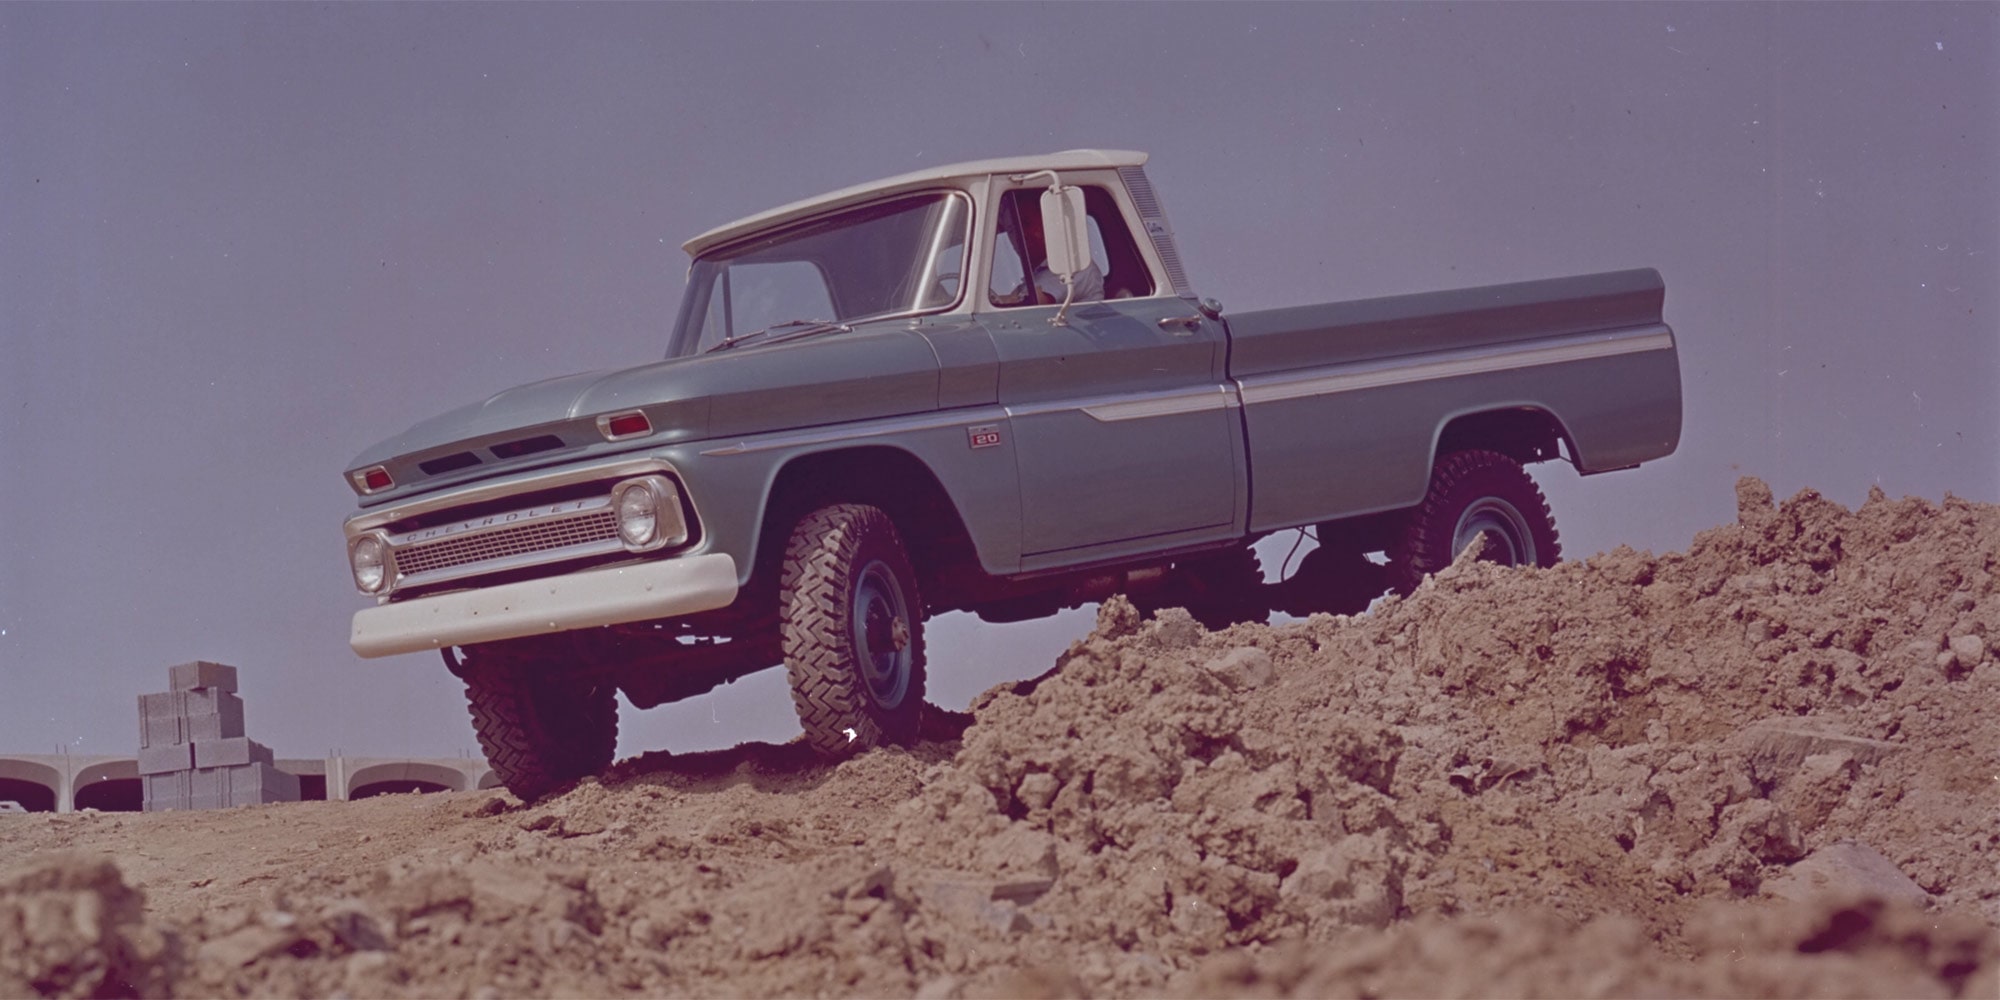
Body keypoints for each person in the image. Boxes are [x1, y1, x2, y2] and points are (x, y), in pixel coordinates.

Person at [992, 192, 1104, 307]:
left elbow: (1036, 302)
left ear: (1048, 223)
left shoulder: (1077, 267)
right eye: (1011, 230)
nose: (1019, 236)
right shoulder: (1031, 280)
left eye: (1026, 224)